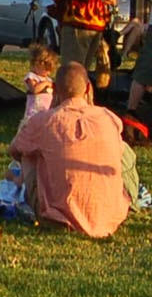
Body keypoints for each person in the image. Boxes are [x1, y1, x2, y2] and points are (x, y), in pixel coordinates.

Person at [11, 62, 136, 238]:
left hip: (58, 218)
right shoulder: (109, 118)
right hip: (110, 217)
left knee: (28, 153)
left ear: (54, 89)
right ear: (88, 88)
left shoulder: (43, 121)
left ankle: (52, 203)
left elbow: (15, 150)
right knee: (118, 150)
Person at [23, 43, 57, 123]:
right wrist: (45, 83)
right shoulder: (31, 77)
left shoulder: (48, 79)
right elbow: (34, 90)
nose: (48, 73)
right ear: (37, 65)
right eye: (46, 70)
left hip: (47, 109)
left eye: (50, 71)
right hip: (34, 110)